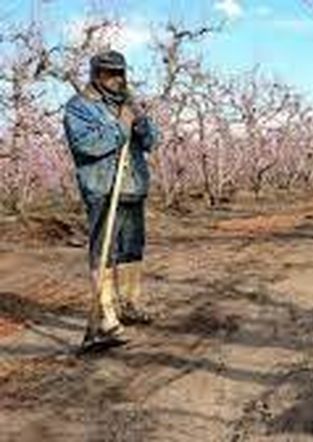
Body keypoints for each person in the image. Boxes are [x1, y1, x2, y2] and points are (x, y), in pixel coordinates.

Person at [63, 50, 159, 352]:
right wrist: (121, 128)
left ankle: (129, 303)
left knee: (132, 249)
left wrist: (141, 125)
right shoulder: (80, 107)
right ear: (96, 74)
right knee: (104, 251)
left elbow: (151, 142)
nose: (115, 79)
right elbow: (86, 145)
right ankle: (105, 315)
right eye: (108, 73)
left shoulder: (129, 104)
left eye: (119, 73)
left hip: (132, 187)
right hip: (103, 189)